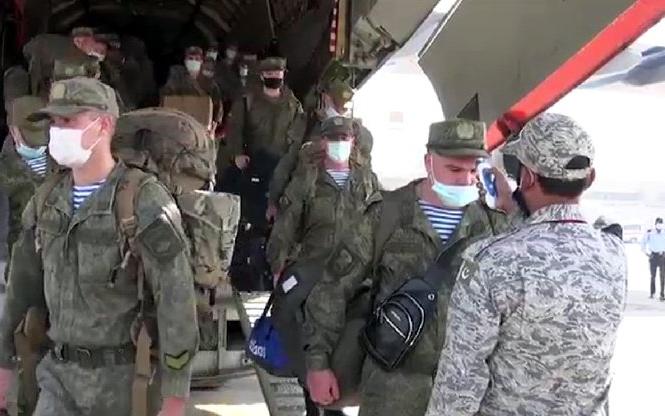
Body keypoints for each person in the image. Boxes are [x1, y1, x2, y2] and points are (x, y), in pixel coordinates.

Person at [0, 77, 199, 415]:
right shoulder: (47, 199)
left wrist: (175, 395)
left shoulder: (143, 201)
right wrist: (4, 359)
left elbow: (175, 297)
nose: (56, 131)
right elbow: (21, 284)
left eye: (68, 120)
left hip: (122, 384)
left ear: (103, 125)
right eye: (54, 122)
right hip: (56, 377)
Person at [425, 113, 627, 416]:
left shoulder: (488, 261)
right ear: (590, 178)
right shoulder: (615, 255)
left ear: (528, 178)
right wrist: (513, 208)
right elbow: (553, 247)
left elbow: (461, 379)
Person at [304, 119, 507, 416]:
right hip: (392, 387)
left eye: (473, 170)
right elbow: (333, 288)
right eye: (454, 169)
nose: (466, 180)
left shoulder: (493, 226)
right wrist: (318, 363)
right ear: (429, 163)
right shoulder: (386, 215)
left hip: (465, 392)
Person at [267, 116, 380, 416]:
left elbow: (379, 221)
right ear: (323, 141)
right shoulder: (308, 180)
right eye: (333, 139)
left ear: (353, 142)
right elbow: (287, 222)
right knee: (306, 337)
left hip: (355, 274)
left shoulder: (366, 180)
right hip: (313, 271)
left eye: (344, 139)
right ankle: (314, 399)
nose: (339, 144)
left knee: (347, 340)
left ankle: (335, 400)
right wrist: (278, 264)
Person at [267, 79, 373, 222]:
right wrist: (274, 201)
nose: (340, 112)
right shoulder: (308, 126)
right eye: (336, 105)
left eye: (343, 107)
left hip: (346, 208)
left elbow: (366, 175)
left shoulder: (361, 135)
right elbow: (288, 163)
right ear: (325, 99)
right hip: (308, 203)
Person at [220, 56, 302, 223]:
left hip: (281, 166)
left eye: (278, 73)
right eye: (269, 73)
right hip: (253, 164)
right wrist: (237, 154)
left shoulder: (293, 105)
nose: (274, 77)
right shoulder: (247, 100)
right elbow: (235, 128)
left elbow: (299, 135)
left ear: (283, 74)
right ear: (262, 75)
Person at [0, 96, 56, 282]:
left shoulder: (63, 162)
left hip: (60, 272)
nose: (39, 143)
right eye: (32, 135)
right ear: (13, 130)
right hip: (22, 273)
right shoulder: (4, 172)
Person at [161, 46, 224, 128]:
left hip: (202, 126)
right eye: (190, 58)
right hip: (178, 124)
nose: (193, 61)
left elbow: (217, 106)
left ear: (201, 61)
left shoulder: (210, 83)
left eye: (197, 59)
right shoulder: (176, 78)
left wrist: (214, 124)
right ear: (185, 60)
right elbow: (166, 98)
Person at [642, 217, 665, 300]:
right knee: (653, 276)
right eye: (658, 223)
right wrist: (646, 253)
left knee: (662, 276)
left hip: (662, 256)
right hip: (653, 256)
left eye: (661, 223)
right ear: (655, 224)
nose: (659, 225)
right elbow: (643, 243)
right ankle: (652, 293)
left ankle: (662, 294)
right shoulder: (650, 233)